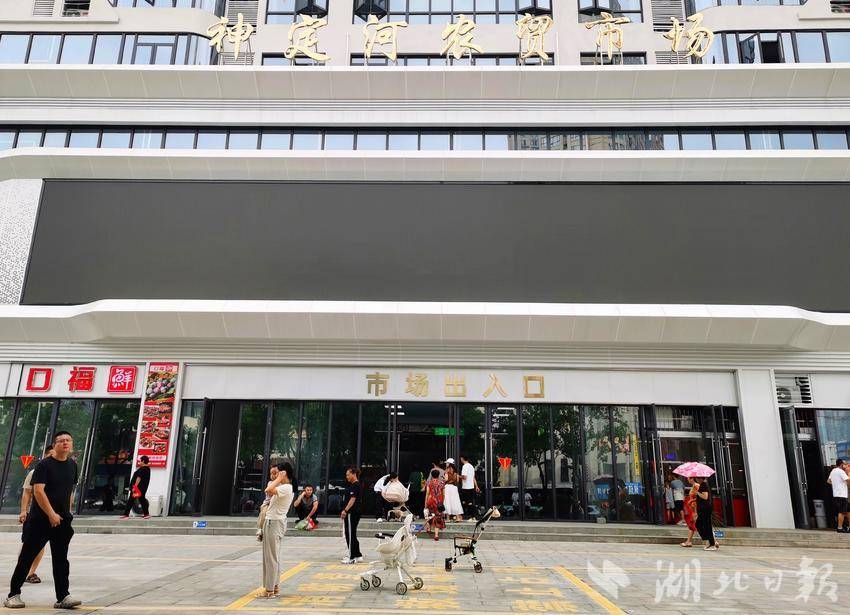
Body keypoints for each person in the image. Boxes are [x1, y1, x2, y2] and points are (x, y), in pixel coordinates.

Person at [6, 431, 81, 610]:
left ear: (71, 444)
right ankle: (13, 595)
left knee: (61, 560)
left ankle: (63, 597)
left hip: (62, 521)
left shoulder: (72, 465)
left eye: (68, 440)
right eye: (61, 441)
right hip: (40, 521)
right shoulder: (44, 465)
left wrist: (67, 513)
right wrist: (51, 514)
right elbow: (38, 491)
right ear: (54, 445)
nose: (65, 443)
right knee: (26, 558)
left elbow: (69, 490)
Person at [18, 445, 53, 585]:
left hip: (52, 514)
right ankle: (22, 571)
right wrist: (23, 511)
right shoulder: (34, 472)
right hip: (35, 513)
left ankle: (31, 572)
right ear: (45, 455)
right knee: (28, 544)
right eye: (50, 455)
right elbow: (27, 492)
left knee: (41, 545)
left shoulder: (60, 472)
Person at [260, 462, 295, 598]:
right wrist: (278, 479)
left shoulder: (286, 487)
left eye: (279, 471)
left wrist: (279, 478)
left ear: (284, 472)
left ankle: (269, 590)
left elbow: (268, 490)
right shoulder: (284, 487)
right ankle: (274, 587)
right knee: (274, 557)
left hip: (273, 523)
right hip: (274, 522)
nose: (276, 475)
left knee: (271, 558)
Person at [340, 466, 363, 564]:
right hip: (354, 513)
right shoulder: (355, 485)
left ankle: (351, 557)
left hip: (352, 513)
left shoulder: (355, 485)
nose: (347, 477)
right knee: (352, 534)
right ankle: (358, 555)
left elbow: (352, 500)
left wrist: (345, 510)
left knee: (349, 534)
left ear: (353, 474)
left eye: (348, 475)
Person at [120, 455, 151, 520]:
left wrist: (135, 486)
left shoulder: (143, 469)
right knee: (142, 500)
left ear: (143, 461)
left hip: (138, 488)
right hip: (142, 488)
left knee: (131, 500)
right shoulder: (147, 469)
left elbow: (138, 478)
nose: (140, 462)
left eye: (140, 460)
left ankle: (126, 515)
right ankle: (146, 514)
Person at [693, 477, 717, 551]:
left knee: (703, 525)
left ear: (700, 478)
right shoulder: (702, 485)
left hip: (705, 509)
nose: (696, 480)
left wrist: (697, 492)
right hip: (703, 509)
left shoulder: (704, 485)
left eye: (697, 478)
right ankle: (709, 541)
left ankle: (711, 543)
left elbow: (705, 497)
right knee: (702, 525)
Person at [256, 465, 279, 541]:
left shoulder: (282, 484)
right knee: (263, 513)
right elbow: (269, 492)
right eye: (271, 474)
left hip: (276, 505)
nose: (272, 476)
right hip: (268, 504)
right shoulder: (270, 483)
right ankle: (260, 530)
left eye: (274, 473)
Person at [827, 459, 850, 533]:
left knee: (845, 511)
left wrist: (836, 484)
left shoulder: (833, 471)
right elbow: (848, 480)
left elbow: (828, 481)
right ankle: (840, 528)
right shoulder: (841, 471)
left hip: (836, 494)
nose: (845, 465)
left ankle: (844, 527)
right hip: (842, 495)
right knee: (842, 512)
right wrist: (848, 474)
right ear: (841, 464)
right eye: (844, 464)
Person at [424, 469, 446, 541]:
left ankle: (429, 528)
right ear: (438, 475)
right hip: (438, 502)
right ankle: (436, 535)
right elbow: (444, 494)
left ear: (432, 475)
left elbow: (427, 493)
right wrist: (442, 502)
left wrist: (425, 504)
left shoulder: (429, 483)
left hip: (431, 501)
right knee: (438, 517)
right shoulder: (442, 483)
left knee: (430, 515)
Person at [459, 455, 480, 521]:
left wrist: (458, 476)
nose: (460, 460)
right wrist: (476, 486)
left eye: (461, 458)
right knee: (469, 502)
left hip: (466, 487)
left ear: (462, 459)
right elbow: (473, 477)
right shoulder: (471, 466)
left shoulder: (465, 466)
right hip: (471, 487)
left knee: (466, 502)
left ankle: (472, 517)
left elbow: (464, 477)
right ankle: (472, 517)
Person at [679, 478, 699, 548]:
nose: (688, 479)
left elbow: (702, 496)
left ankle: (713, 541)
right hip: (693, 508)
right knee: (692, 525)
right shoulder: (694, 486)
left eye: (689, 478)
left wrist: (691, 501)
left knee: (699, 525)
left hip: (696, 508)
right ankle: (688, 541)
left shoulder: (696, 485)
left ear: (693, 478)